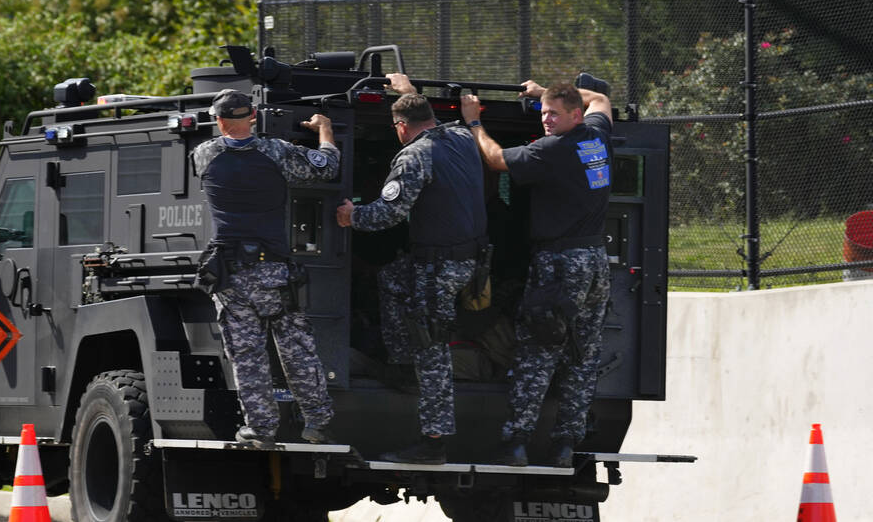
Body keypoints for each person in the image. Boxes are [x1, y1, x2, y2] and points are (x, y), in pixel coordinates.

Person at [461, 79, 614, 468]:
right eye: (543, 113)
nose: (546, 120)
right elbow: (601, 99)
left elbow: (496, 159)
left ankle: (516, 442)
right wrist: (543, 90)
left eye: (554, 114)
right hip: (595, 261)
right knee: (582, 356)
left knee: (537, 353)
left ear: (574, 115)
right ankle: (565, 445)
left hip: (559, 264)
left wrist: (475, 123)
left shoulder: (552, 150)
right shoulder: (595, 137)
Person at [336, 73, 488, 464]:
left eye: (397, 127)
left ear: (401, 127)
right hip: (465, 261)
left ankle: (434, 440)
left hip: (438, 267)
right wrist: (407, 92)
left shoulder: (413, 155)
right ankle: (401, 363)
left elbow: (389, 213)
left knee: (430, 346)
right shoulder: (459, 138)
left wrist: (353, 215)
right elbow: (426, 114)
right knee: (392, 278)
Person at [191, 89, 339, 446]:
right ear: (253, 116)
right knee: (295, 348)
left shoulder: (203, 155)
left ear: (219, 120)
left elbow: (223, 153)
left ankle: (260, 429)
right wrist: (325, 131)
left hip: (230, 274)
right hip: (274, 272)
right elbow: (328, 166)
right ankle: (317, 422)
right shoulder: (276, 152)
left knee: (246, 354)